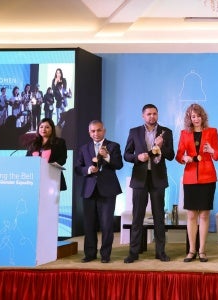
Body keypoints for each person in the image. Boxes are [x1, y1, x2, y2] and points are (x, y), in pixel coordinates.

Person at [123, 104, 174, 263]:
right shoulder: (134, 131)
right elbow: (126, 154)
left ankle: (160, 252)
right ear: (143, 116)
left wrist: (161, 146)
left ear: (158, 115)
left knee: (159, 217)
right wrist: (137, 157)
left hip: (158, 178)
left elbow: (171, 155)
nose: (152, 116)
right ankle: (133, 252)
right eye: (148, 114)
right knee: (137, 216)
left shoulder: (166, 132)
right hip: (139, 178)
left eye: (154, 113)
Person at [176, 103, 218, 263]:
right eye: (193, 116)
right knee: (191, 214)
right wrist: (184, 158)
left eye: (198, 115)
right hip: (190, 177)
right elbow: (178, 155)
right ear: (189, 118)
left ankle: (202, 250)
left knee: (205, 214)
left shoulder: (212, 132)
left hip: (208, 176)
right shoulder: (184, 134)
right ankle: (191, 250)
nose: (196, 119)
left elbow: (217, 156)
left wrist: (211, 151)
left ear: (203, 116)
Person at [75, 120, 123, 263]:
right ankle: (89, 254)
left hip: (107, 189)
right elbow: (78, 168)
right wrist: (88, 169)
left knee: (107, 224)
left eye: (99, 130)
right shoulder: (84, 148)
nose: (96, 133)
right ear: (89, 133)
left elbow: (119, 164)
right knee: (89, 224)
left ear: (104, 131)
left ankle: (105, 255)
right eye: (93, 131)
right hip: (89, 190)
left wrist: (107, 157)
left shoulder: (113, 146)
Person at [26, 118, 67, 191]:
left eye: (47, 127)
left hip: (52, 178)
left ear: (52, 129)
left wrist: (50, 166)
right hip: (35, 179)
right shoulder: (33, 144)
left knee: (50, 202)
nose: (43, 129)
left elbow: (63, 159)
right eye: (41, 127)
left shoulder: (59, 142)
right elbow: (27, 159)